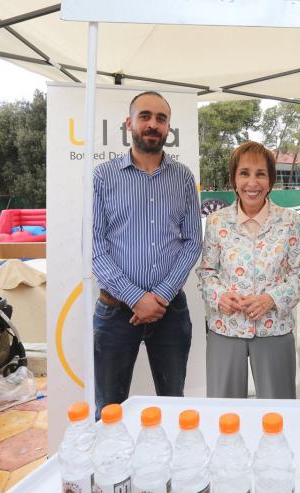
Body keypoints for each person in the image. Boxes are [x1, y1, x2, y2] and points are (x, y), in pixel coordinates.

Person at [91, 91, 201, 418]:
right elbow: (94, 247)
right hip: (115, 312)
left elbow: (193, 241)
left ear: (168, 127)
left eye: (161, 119)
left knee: (174, 406)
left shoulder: (183, 178)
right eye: (145, 116)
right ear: (129, 123)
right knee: (109, 411)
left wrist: (161, 295)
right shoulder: (103, 176)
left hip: (171, 312)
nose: (153, 124)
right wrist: (136, 297)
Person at [197, 141, 300, 398]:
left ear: (270, 181)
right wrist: (219, 296)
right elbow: (206, 272)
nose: (252, 182)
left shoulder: (289, 221)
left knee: (277, 408)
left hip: (274, 328)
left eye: (260, 174)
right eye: (244, 173)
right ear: (234, 179)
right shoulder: (216, 222)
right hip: (226, 328)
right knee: (224, 408)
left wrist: (271, 299)